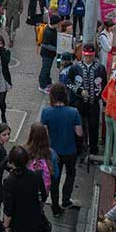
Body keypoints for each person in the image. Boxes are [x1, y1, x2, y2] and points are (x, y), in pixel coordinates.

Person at [40, 84, 83, 216]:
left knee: (54, 179)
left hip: (53, 152)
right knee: (70, 174)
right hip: (70, 150)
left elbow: (44, 133)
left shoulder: (46, 112)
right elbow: (79, 133)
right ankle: (65, 199)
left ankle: (55, 207)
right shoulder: (73, 112)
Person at [66, 44, 107, 156]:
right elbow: (68, 83)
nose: (88, 58)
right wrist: (79, 91)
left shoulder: (100, 68)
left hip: (94, 103)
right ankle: (79, 148)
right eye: (86, 56)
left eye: (90, 56)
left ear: (94, 55)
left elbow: (105, 86)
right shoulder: (75, 68)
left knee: (94, 127)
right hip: (79, 103)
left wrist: (104, 103)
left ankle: (93, 149)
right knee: (79, 126)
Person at [2, 146, 48, 232]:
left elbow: (8, 209)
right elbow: (44, 196)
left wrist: (6, 225)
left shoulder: (9, 181)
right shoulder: (36, 175)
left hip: (19, 225)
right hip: (36, 220)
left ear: (12, 162)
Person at [23, 123, 59, 211]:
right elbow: (56, 174)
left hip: (26, 187)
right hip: (43, 189)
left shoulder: (23, 150)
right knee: (39, 209)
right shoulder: (51, 153)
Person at [38, 15, 60, 93]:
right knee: (45, 69)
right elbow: (45, 44)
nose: (59, 25)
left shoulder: (52, 29)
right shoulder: (47, 32)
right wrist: (56, 49)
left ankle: (47, 82)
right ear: (55, 23)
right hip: (47, 54)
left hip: (50, 54)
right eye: (58, 23)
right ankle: (42, 86)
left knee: (48, 69)